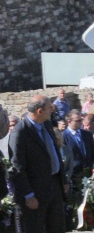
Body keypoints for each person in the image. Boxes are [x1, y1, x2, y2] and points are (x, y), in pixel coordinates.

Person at [9, 95, 66, 233]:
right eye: (49, 108)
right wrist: (28, 195)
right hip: (35, 194)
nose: (52, 110)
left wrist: (63, 179)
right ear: (40, 111)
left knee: (57, 227)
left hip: (54, 187)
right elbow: (17, 167)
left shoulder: (46, 124)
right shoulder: (20, 132)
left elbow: (55, 153)